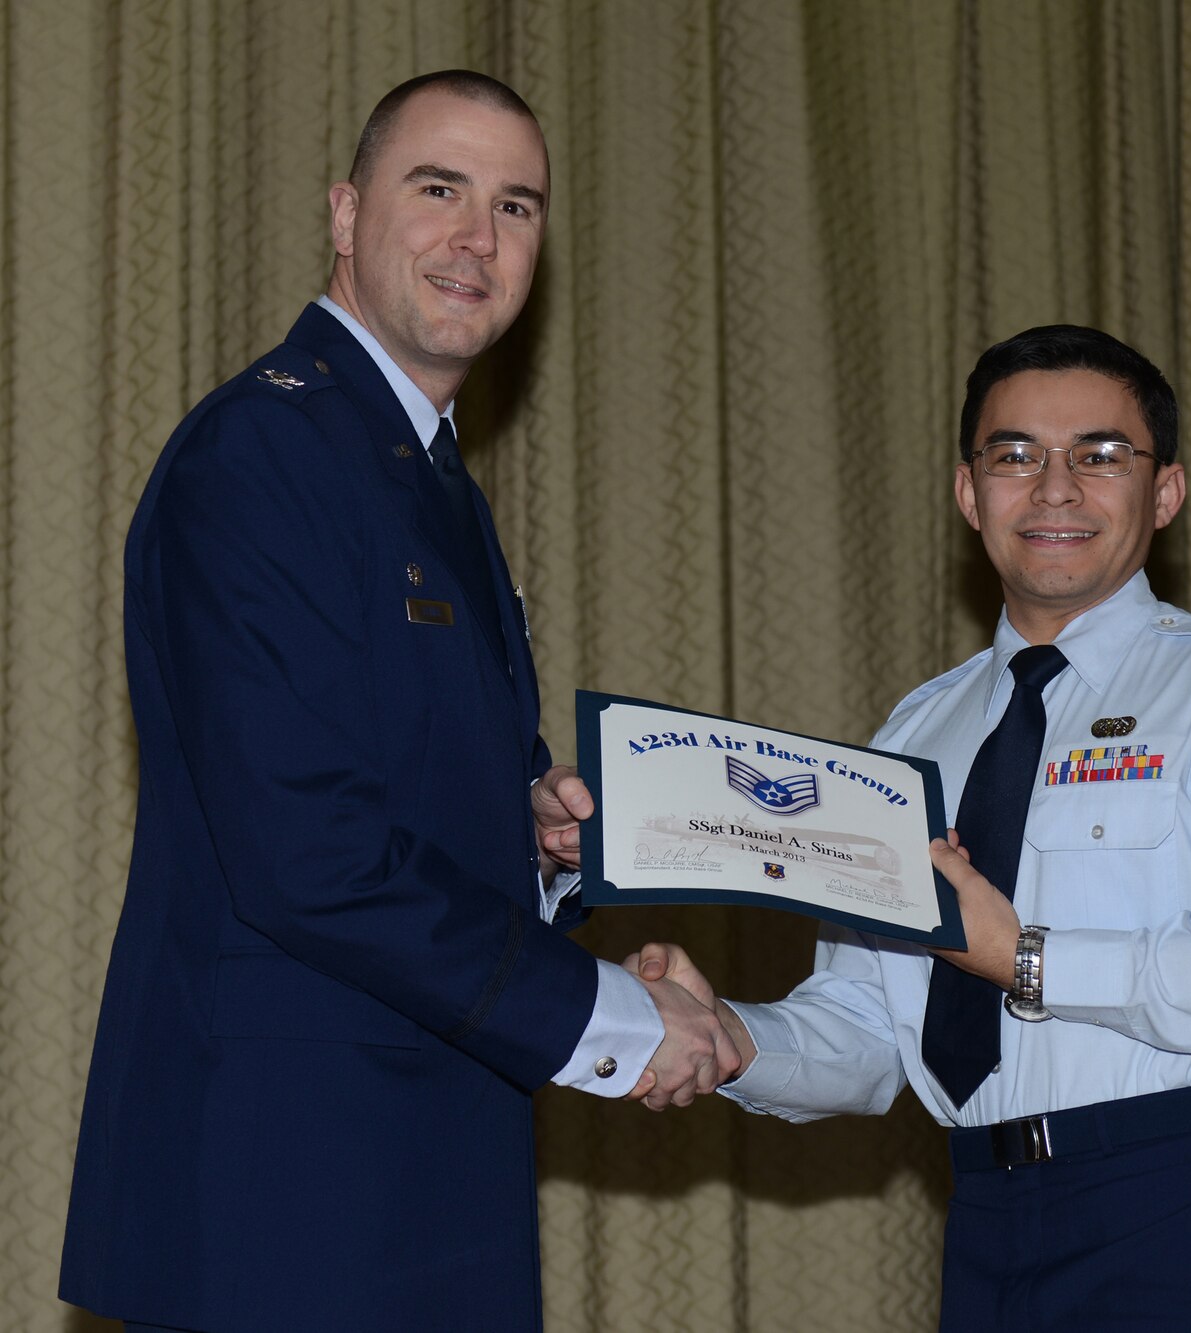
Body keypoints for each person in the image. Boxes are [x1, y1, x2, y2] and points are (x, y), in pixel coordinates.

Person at [60, 70, 730, 1333]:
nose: (477, 238)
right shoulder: (266, 453)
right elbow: (306, 850)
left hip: (410, 1174)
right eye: (440, 190)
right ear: (344, 210)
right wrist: (612, 1019)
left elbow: (398, 793)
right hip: (288, 1194)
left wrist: (534, 832)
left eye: (516, 205)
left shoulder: (427, 482)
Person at [632, 325, 1191, 1331]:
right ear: (967, 492)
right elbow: (867, 1031)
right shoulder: (912, 735)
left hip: (1177, 1209)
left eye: (1100, 454)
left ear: (1164, 492)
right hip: (984, 1221)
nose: (1056, 488)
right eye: (1014, 454)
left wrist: (1025, 960)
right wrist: (727, 1035)